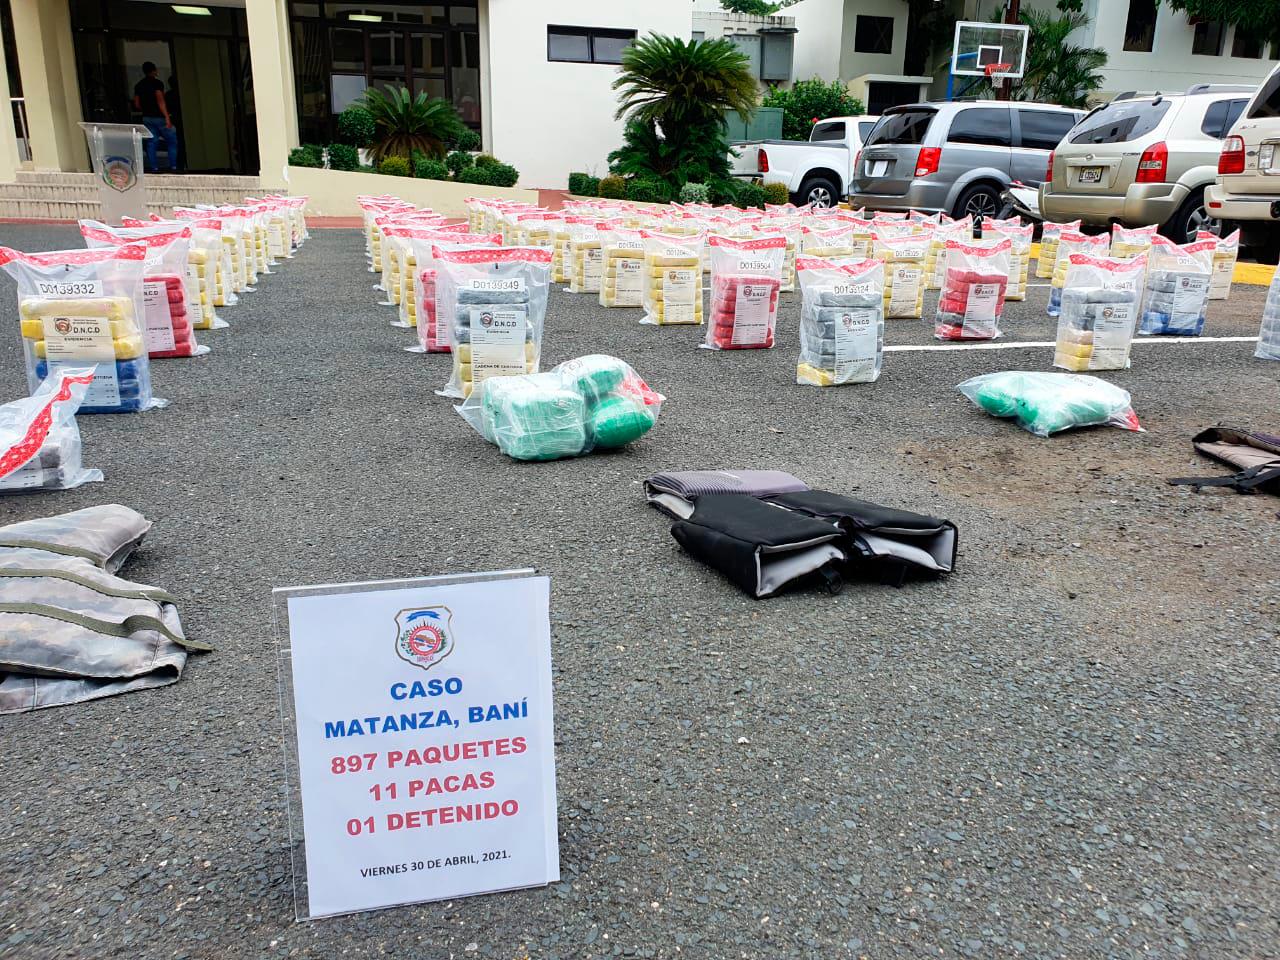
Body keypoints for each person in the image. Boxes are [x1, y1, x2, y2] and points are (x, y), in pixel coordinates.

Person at [132, 61, 178, 173]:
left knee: (152, 142)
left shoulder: (139, 85)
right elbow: (160, 101)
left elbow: (137, 104)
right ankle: (173, 167)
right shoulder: (157, 84)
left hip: (147, 117)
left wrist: (146, 109)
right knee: (172, 141)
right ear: (154, 70)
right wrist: (167, 116)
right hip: (159, 117)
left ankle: (154, 167)